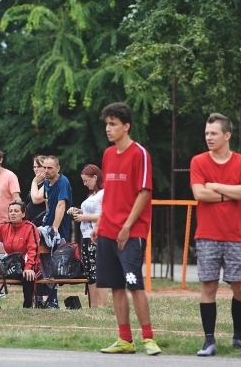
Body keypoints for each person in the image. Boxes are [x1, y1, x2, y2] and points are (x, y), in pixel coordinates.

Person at [92, 102, 161, 356]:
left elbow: (144, 193)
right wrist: (101, 223)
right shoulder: (108, 154)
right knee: (116, 286)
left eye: (113, 124)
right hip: (108, 230)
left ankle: (149, 338)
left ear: (126, 126)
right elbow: (110, 193)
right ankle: (125, 339)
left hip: (131, 232)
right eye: (106, 124)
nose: (108, 129)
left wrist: (127, 226)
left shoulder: (139, 153)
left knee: (135, 285)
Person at [190, 112, 241, 356]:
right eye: (207, 133)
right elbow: (199, 194)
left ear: (227, 135)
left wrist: (216, 187)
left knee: (240, 287)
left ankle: (239, 336)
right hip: (207, 234)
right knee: (209, 286)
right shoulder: (198, 161)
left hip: (235, 234)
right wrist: (232, 193)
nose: (209, 137)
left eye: (214, 133)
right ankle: (209, 340)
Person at [32, 155, 72, 308]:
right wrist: (46, 219)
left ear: (57, 168)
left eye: (50, 168)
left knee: (52, 265)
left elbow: (61, 205)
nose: (46, 171)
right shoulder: (47, 184)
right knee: (41, 263)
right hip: (46, 226)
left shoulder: (63, 182)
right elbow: (49, 203)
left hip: (58, 230)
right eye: (45, 168)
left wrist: (54, 227)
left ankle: (53, 300)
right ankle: (41, 298)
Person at [67, 164, 107, 308]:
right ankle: (93, 305)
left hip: (97, 235)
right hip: (85, 235)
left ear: (95, 177)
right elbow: (89, 212)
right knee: (89, 272)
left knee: (98, 271)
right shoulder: (92, 195)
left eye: (87, 180)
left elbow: (105, 215)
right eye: (83, 181)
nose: (85, 184)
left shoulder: (104, 193)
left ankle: (103, 305)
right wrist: (77, 210)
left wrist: (84, 217)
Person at [26, 155, 47, 226]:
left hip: (40, 223)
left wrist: (34, 182)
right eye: (34, 167)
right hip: (31, 223)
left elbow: (36, 199)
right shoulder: (38, 183)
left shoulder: (49, 183)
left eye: (39, 166)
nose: (36, 169)